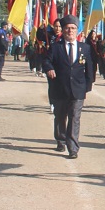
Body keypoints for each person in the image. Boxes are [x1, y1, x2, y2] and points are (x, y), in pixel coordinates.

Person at [42, 15, 95, 159]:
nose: (70, 31)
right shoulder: (55, 47)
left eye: (73, 28)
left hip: (78, 89)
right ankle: (60, 139)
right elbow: (46, 61)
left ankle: (73, 148)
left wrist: (88, 86)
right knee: (60, 116)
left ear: (77, 31)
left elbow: (90, 68)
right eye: (67, 28)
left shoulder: (85, 48)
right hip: (60, 88)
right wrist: (49, 69)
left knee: (75, 118)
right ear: (63, 30)